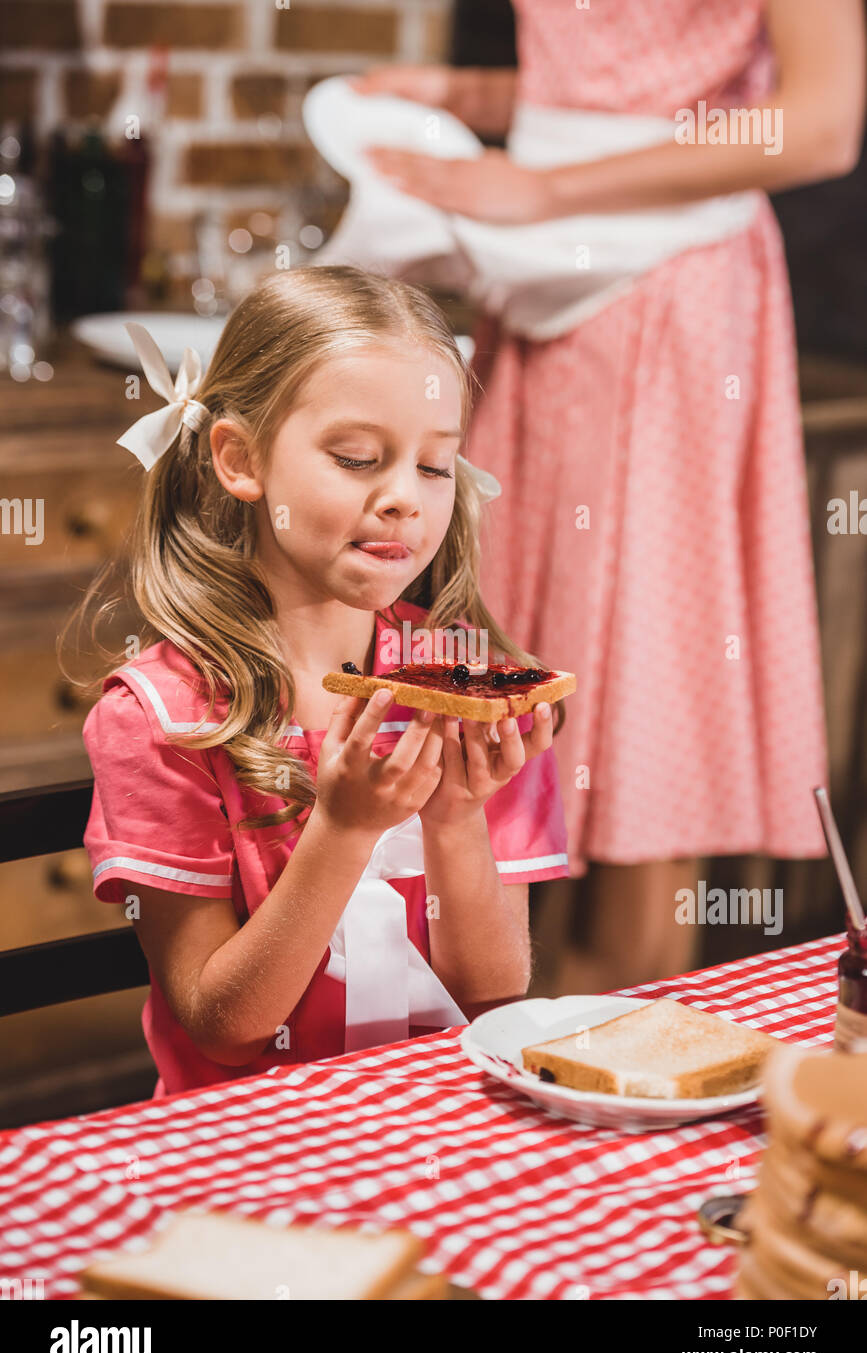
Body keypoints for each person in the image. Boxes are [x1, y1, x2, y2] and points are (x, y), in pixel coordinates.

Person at [352, 0, 865, 992]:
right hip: (541, 295)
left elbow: (819, 123)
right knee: (505, 647)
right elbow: (625, 84)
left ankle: (624, 1050)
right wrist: (464, 99)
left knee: (650, 672)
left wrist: (542, 188)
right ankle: (497, 1032)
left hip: (667, 291)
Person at [74, 265, 569, 1098]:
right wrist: (341, 829)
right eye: (356, 458)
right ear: (241, 458)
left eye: (436, 467)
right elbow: (223, 1028)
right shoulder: (165, 716)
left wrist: (455, 818)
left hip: (432, 1128)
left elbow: (494, 997)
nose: (403, 500)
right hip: (246, 1143)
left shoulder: (473, 693)